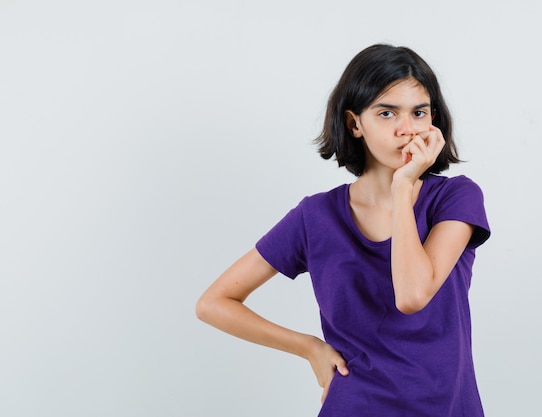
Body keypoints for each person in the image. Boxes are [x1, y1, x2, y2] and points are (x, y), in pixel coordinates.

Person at [196, 43, 491, 416]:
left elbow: (413, 294)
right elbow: (213, 304)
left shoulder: (456, 198)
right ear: (355, 123)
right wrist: (310, 348)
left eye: (419, 112)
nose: (407, 129)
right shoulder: (315, 216)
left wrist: (403, 188)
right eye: (386, 113)